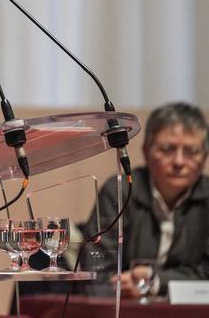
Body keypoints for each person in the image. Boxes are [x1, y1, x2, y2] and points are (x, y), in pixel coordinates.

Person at [82, 102, 209, 298]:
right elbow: (95, 272)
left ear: (204, 158)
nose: (179, 162)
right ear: (146, 151)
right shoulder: (119, 190)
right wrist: (119, 287)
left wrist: (155, 282)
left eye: (191, 151)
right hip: (125, 307)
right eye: (167, 149)